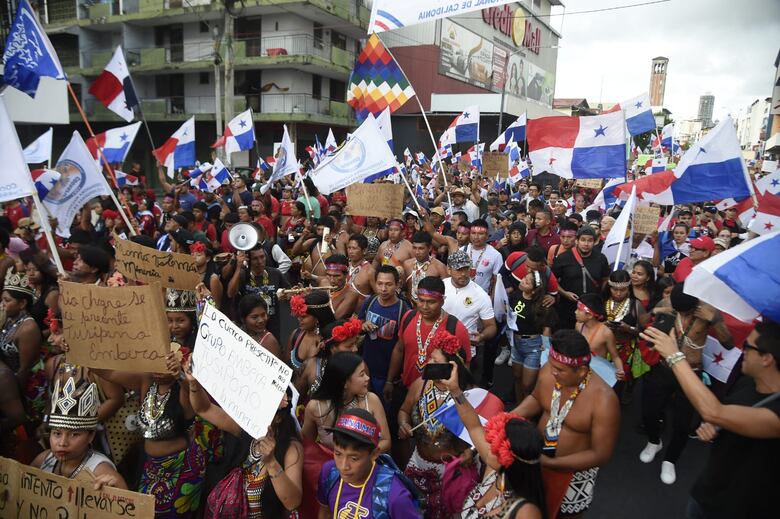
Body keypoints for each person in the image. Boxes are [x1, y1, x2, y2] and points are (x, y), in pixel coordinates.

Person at [641, 319, 780, 519]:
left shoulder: (776, 413)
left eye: (748, 346)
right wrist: (718, 427)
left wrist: (674, 355)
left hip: (741, 507)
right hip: (707, 492)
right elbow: (723, 416)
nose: (742, 350)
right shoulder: (748, 384)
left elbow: (714, 412)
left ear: (767, 358)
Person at [512, 330, 620, 518]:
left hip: (573, 475)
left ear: (582, 371)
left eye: (560, 370)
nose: (553, 372)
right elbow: (537, 399)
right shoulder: (551, 368)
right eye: (552, 366)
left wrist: (553, 463)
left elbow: (601, 454)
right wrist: (508, 418)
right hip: (537, 461)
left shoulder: (604, 400)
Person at [638, 285, 732, 485]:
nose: (681, 313)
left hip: (691, 371)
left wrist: (715, 321)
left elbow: (729, 344)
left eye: (685, 311)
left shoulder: (709, 312)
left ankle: (670, 460)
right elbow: (642, 321)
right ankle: (654, 442)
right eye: (678, 309)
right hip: (663, 368)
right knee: (649, 412)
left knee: (682, 422)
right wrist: (655, 311)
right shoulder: (668, 302)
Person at [189, 372, 303, 518]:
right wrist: (193, 383)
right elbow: (204, 409)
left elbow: (292, 502)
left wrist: (271, 463)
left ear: (279, 418)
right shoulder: (247, 428)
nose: (257, 413)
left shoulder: (291, 449)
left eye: (265, 409)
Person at [398, 334, 487, 519]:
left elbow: (479, 432)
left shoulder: (469, 395)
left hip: (452, 472)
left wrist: (471, 451)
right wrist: (404, 424)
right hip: (419, 466)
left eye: (435, 360)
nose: (429, 362)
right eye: (430, 357)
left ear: (451, 366)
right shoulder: (420, 385)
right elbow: (404, 411)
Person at [440, 373, 546, 518]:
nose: (486, 448)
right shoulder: (497, 470)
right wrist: (455, 390)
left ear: (509, 461)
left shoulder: (526, 513)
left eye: (494, 448)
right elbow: (474, 426)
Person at [317, 408, 421, 519]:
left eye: (354, 458)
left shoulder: (395, 495)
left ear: (374, 454)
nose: (343, 466)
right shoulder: (329, 473)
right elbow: (325, 512)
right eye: (338, 454)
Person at [31, 376, 127, 490]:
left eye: (74, 434)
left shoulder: (100, 470)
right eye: (57, 433)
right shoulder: (44, 459)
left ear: (91, 436)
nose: (62, 443)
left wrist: (115, 491)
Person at [442, 249, 497, 385]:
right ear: (449, 270)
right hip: (438, 349)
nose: (464, 274)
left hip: (464, 353)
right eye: (459, 269)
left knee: (463, 389)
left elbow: (491, 326)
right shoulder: (441, 286)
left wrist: (482, 336)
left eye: (466, 269)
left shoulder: (480, 295)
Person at [358, 266, 409, 404]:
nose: (383, 289)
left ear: (397, 285)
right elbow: (359, 321)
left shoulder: (403, 311)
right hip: (365, 370)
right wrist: (363, 325)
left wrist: (390, 381)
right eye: (380, 284)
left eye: (388, 284)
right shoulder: (370, 301)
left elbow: (400, 349)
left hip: (386, 375)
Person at [0, 269, 44, 420]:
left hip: (26, 386)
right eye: (2, 300)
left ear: (22, 303)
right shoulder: (10, 318)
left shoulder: (28, 328)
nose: (3, 304)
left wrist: (13, 396)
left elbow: (24, 369)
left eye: (7, 301)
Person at [509, 271, 557, 404]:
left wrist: (545, 348)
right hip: (516, 342)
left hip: (534, 346)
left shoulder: (543, 306)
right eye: (525, 277)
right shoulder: (515, 295)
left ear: (535, 291)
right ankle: (519, 410)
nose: (523, 281)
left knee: (527, 385)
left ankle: (529, 414)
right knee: (517, 378)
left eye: (528, 282)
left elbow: (547, 328)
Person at [552, 227, 610, 329]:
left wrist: (601, 297)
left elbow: (605, 279)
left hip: (592, 310)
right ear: (577, 241)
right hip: (568, 307)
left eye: (590, 240)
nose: (586, 244)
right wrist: (565, 293)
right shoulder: (564, 258)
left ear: (595, 242)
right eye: (583, 240)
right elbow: (552, 280)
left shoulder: (601, 258)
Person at [227, 245, 290, 339]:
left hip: (272, 328)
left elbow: (289, 293)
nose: (260, 261)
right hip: (249, 333)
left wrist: (291, 295)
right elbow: (230, 293)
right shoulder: (243, 275)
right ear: (248, 260)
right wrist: (238, 268)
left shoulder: (275, 274)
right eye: (255, 259)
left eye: (262, 257)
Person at [574, 294, 625, 381]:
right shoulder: (578, 326)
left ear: (589, 315)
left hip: (598, 374)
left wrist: (620, 370)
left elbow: (615, 356)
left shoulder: (606, 333)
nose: (575, 312)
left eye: (579, 310)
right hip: (580, 370)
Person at [288, 291, 335, 369]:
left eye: (304, 317)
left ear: (317, 318)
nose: (299, 319)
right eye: (299, 315)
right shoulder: (295, 335)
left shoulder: (328, 343)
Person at [402, 231, 448, 304]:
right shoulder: (407, 264)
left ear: (429, 248)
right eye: (414, 248)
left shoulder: (439, 267)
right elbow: (403, 288)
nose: (417, 252)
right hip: (409, 307)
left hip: (429, 309)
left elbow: (446, 293)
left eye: (421, 248)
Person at [464, 219, 503, 296]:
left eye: (480, 233)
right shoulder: (463, 251)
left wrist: (492, 301)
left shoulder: (495, 255)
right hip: (463, 295)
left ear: (487, 235)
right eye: (473, 233)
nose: (476, 237)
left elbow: (497, 282)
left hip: (483, 299)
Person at [238, 294, 281, 358]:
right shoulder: (235, 333)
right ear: (243, 319)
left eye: (263, 315)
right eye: (255, 317)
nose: (261, 320)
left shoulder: (269, 342)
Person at [321, 254, 361, 319]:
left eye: (336, 276)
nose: (332, 280)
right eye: (329, 275)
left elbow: (335, 319)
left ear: (346, 274)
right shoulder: (324, 283)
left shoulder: (352, 294)